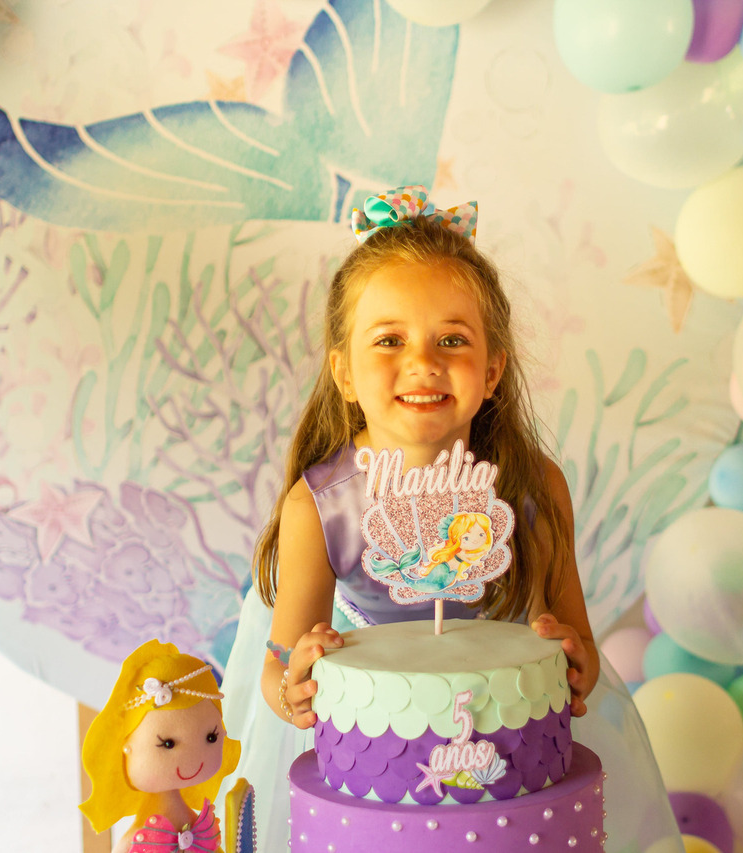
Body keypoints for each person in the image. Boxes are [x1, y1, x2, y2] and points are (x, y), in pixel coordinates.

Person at [220, 185, 682, 853]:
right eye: (389, 340)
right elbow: (282, 659)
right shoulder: (317, 507)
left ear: (492, 371)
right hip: (364, 744)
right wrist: (292, 684)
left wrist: (574, 659)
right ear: (344, 371)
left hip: (504, 739)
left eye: (452, 339)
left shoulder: (532, 488)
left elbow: (576, 636)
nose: (423, 362)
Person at [82, 639, 242, 853]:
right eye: (168, 744)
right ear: (127, 747)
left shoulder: (201, 826)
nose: (192, 759)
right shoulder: (141, 838)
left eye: (211, 737)